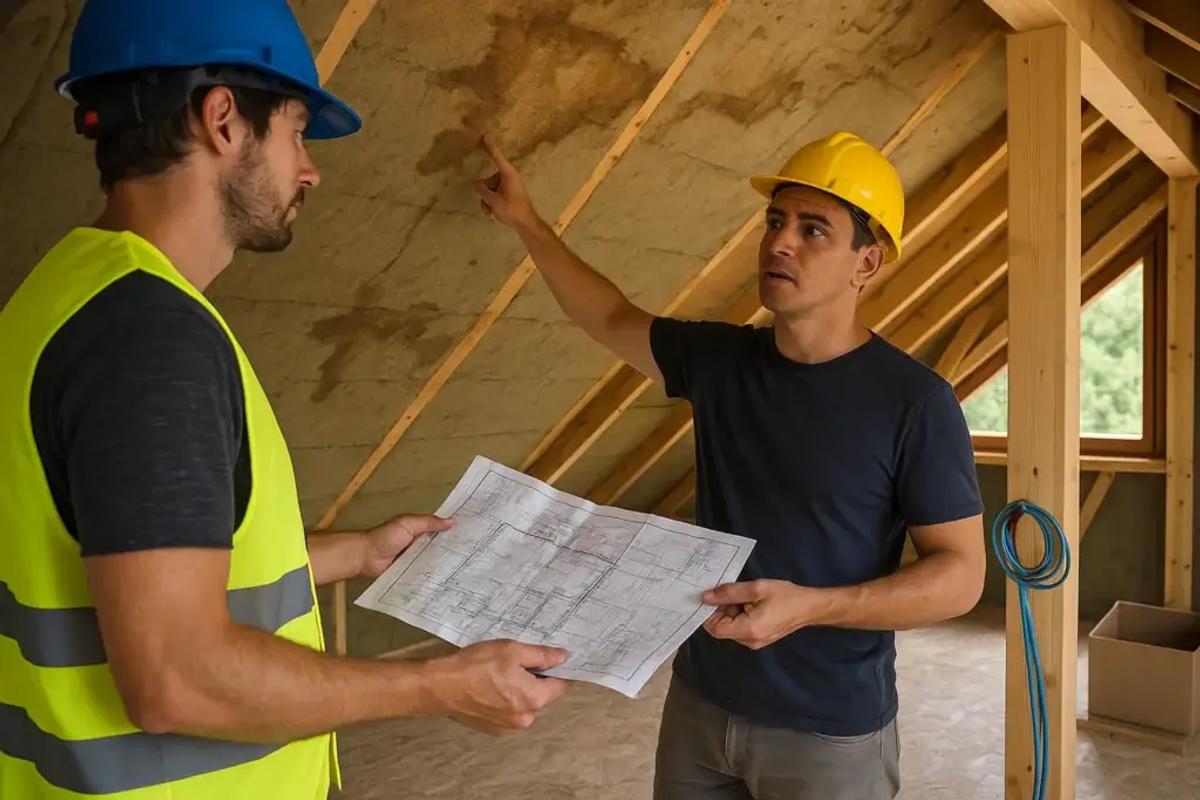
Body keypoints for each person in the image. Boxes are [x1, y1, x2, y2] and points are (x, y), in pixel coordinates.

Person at [0, 2, 568, 798]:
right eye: (297, 132)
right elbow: (178, 678)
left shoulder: (65, 293)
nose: (311, 169)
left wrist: (358, 552)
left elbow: (142, 561)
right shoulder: (149, 342)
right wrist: (435, 685)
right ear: (224, 121)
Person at [474, 130, 986, 799]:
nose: (780, 242)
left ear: (867, 263)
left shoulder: (914, 402)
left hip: (828, 729)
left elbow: (960, 577)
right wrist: (526, 220)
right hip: (700, 703)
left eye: (813, 230)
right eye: (775, 222)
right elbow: (608, 314)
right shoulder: (719, 362)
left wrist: (811, 608)